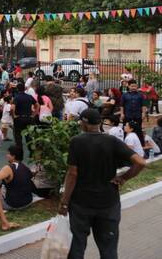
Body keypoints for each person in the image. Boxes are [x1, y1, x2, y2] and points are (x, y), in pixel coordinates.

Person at [59, 109, 146, 259]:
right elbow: (140, 162)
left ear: (84, 123)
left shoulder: (77, 141)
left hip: (81, 203)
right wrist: (124, 178)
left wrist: (64, 202)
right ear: (99, 123)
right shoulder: (112, 141)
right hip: (108, 203)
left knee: (77, 246)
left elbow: (73, 173)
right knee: (108, 249)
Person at [0, 145, 34, 210]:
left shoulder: (8, 168)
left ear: (13, 156)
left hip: (14, 204)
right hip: (28, 201)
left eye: (8, 154)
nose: (6, 156)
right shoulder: (26, 168)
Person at [11, 82, 37, 154]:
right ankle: (32, 152)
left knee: (18, 136)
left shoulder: (16, 97)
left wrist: (14, 116)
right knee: (28, 136)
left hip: (19, 118)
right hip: (29, 118)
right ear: (25, 89)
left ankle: (19, 152)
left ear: (17, 89)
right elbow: (37, 105)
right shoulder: (29, 97)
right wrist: (34, 114)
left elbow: (12, 108)